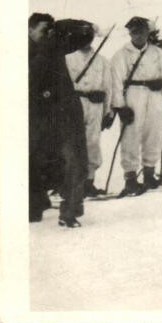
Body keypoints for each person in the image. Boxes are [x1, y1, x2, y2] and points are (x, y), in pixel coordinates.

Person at [29, 13, 94, 227]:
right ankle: (35, 206)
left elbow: (86, 35)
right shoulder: (23, 51)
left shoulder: (54, 45)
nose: (47, 35)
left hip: (65, 114)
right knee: (35, 163)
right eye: (43, 30)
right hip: (38, 117)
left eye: (50, 31)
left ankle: (70, 211)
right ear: (29, 30)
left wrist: (60, 26)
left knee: (75, 161)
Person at [111, 16, 162, 194]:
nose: (139, 36)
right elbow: (116, 82)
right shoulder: (121, 54)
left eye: (142, 32)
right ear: (130, 34)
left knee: (154, 133)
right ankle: (130, 178)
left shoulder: (157, 52)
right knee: (131, 135)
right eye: (135, 32)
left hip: (154, 96)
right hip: (133, 95)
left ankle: (149, 174)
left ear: (147, 33)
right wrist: (120, 107)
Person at [65, 27, 113, 197]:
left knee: (92, 143)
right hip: (74, 104)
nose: (86, 40)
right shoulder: (67, 59)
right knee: (72, 143)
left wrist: (108, 112)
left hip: (95, 106)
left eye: (89, 37)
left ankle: (88, 182)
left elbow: (108, 87)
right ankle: (71, 184)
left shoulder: (102, 61)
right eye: (82, 37)